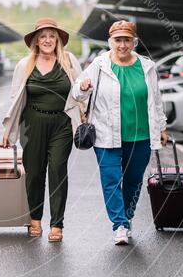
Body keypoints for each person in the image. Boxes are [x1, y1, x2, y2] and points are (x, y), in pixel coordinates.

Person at [71, 20, 169, 245]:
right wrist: (82, 87)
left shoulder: (146, 67)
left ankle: (127, 216)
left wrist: (162, 127)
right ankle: (120, 225)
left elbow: (156, 101)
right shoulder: (100, 65)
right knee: (111, 180)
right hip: (107, 135)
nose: (122, 45)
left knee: (134, 181)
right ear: (110, 42)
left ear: (134, 42)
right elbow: (76, 92)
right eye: (118, 40)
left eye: (127, 40)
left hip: (141, 135)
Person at [2, 18, 83, 242]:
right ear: (36, 41)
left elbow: (81, 93)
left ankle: (57, 224)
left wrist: (85, 89)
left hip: (62, 123)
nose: (47, 40)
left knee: (57, 169)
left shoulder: (69, 61)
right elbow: (14, 98)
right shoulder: (24, 65)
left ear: (57, 39)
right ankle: (35, 219)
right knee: (34, 173)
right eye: (43, 36)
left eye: (51, 36)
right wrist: (8, 130)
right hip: (32, 123)